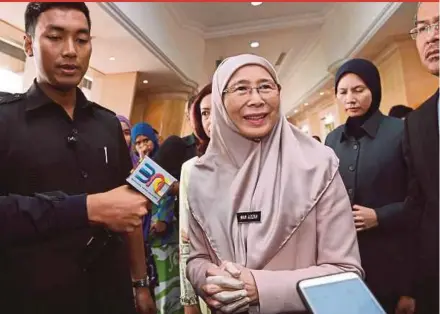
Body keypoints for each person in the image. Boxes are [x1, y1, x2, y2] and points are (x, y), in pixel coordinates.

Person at [0, 3, 152, 313]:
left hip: (108, 293)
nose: (70, 51)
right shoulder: (5, 119)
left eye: (81, 40)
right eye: (55, 37)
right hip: (29, 295)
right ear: (29, 44)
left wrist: (140, 283)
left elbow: (129, 210)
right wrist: (85, 209)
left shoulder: (109, 124)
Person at [186, 54, 363, 314]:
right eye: (241, 88)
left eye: (266, 87)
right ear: (219, 102)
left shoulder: (318, 165)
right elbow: (196, 258)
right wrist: (211, 280)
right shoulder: (201, 176)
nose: (256, 99)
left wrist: (261, 288)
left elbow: (346, 274)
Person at [325, 58, 412, 313]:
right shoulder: (333, 139)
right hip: (345, 258)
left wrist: (381, 216)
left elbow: (424, 196)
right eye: (343, 92)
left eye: (358, 90)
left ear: (374, 89)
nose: (350, 98)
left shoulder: (401, 131)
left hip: (393, 256)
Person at [404, 2, 439, 313]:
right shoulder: (418, 122)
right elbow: (419, 207)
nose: (432, 37)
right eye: (423, 28)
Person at [132, 122, 183, 314]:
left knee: (168, 289)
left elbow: (169, 195)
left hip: (165, 237)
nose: (143, 145)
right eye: (138, 143)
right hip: (143, 236)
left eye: (146, 140)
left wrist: (163, 219)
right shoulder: (134, 165)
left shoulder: (167, 159)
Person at [118, 115, 159, 308]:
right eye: (118, 133)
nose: (123, 138)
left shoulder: (142, 164)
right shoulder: (104, 165)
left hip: (141, 236)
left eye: (127, 132)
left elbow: (149, 202)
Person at [179, 83, 212, 314]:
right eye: (205, 113)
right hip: (208, 282)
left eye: (217, 111)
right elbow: (185, 242)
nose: (211, 120)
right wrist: (189, 299)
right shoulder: (191, 169)